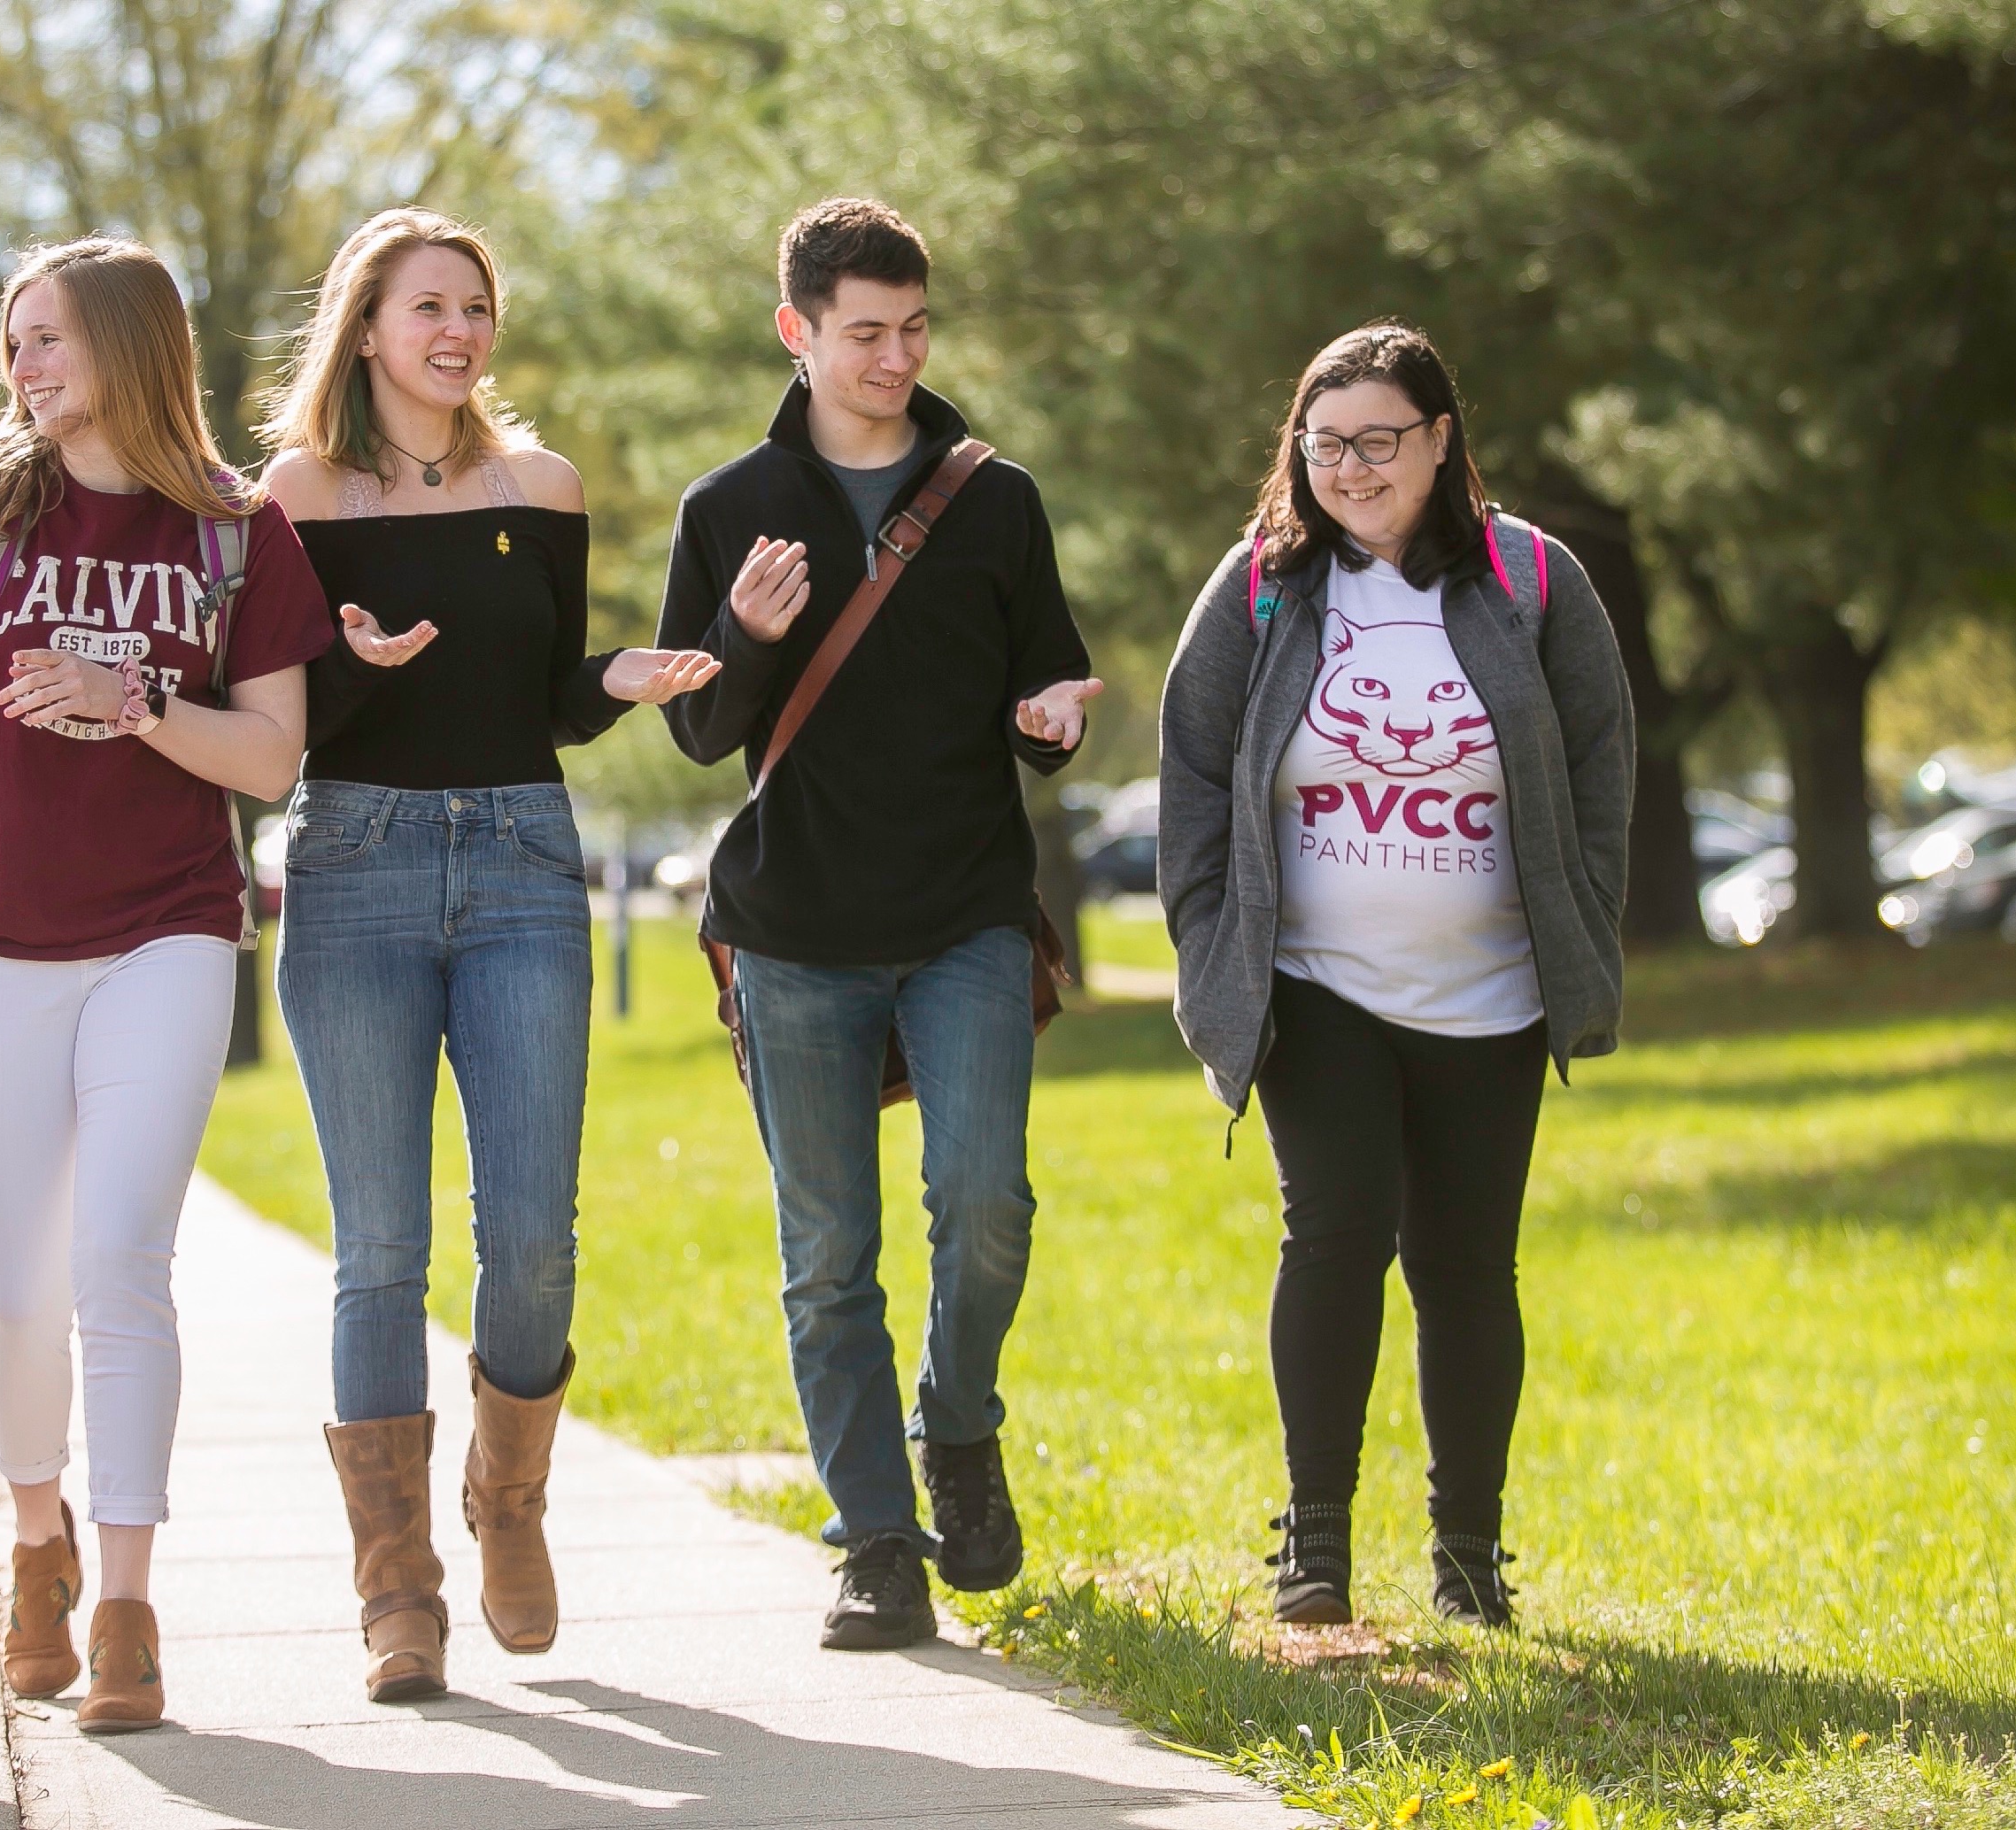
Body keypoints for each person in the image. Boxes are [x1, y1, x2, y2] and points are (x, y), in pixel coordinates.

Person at [0, 238, 332, 1734]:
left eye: (46, 339)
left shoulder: (238, 536)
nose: (21, 368)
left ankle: (125, 1602)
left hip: (168, 928)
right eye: (11, 342)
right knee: (19, 1283)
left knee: (121, 1263)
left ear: (125, 344)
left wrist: (135, 700)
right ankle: (33, 1541)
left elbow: (272, 757)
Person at [258, 208, 722, 1703]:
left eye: (475, 308)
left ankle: (508, 1500)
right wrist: (347, 662)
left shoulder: (543, 486)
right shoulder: (295, 491)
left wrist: (620, 680)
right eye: (427, 307)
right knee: (380, 1250)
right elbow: (274, 711)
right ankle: (398, 1587)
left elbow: (543, 698)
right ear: (368, 327)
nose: (457, 332)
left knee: (531, 1236)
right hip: (357, 864)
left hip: (524, 858)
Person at [657, 197, 1104, 1651]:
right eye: (865, 334)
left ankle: (957, 1429)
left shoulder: (996, 499)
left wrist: (1053, 719)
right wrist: (748, 636)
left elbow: (1049, 688)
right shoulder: (727, 510)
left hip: (969, 908)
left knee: (985, 1204)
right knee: (828, 1249)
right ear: (797, 331)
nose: (895, 358)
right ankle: (874, 1543)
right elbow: (703, 733)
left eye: (914, 330)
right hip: (795, 931)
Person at [1155, 320, 1633, 1629]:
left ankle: (1469, 1556)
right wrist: (1211, 942)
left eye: (1379, 441)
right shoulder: (1261, 585)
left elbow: (1601, 762)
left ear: (1440, 440)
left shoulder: (1533, 580)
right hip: (1317, 986)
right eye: (1326, 444)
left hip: (1493, 990)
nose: (1352, 468)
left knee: (1470, 1269)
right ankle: (1314, 1544)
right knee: (1337, 1229)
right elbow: (1193, 771)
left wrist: (1583, 914)